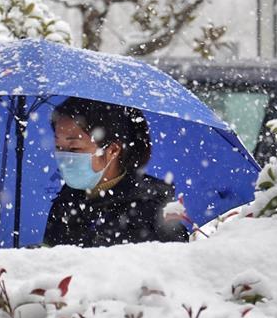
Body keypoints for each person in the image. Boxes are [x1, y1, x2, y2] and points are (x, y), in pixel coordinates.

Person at [43, 97, 189, 247]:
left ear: (112, 150)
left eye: (74, 148)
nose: (65, 157)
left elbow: (171, 265)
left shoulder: (153, 211)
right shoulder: (65, 202)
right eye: (58, 147)